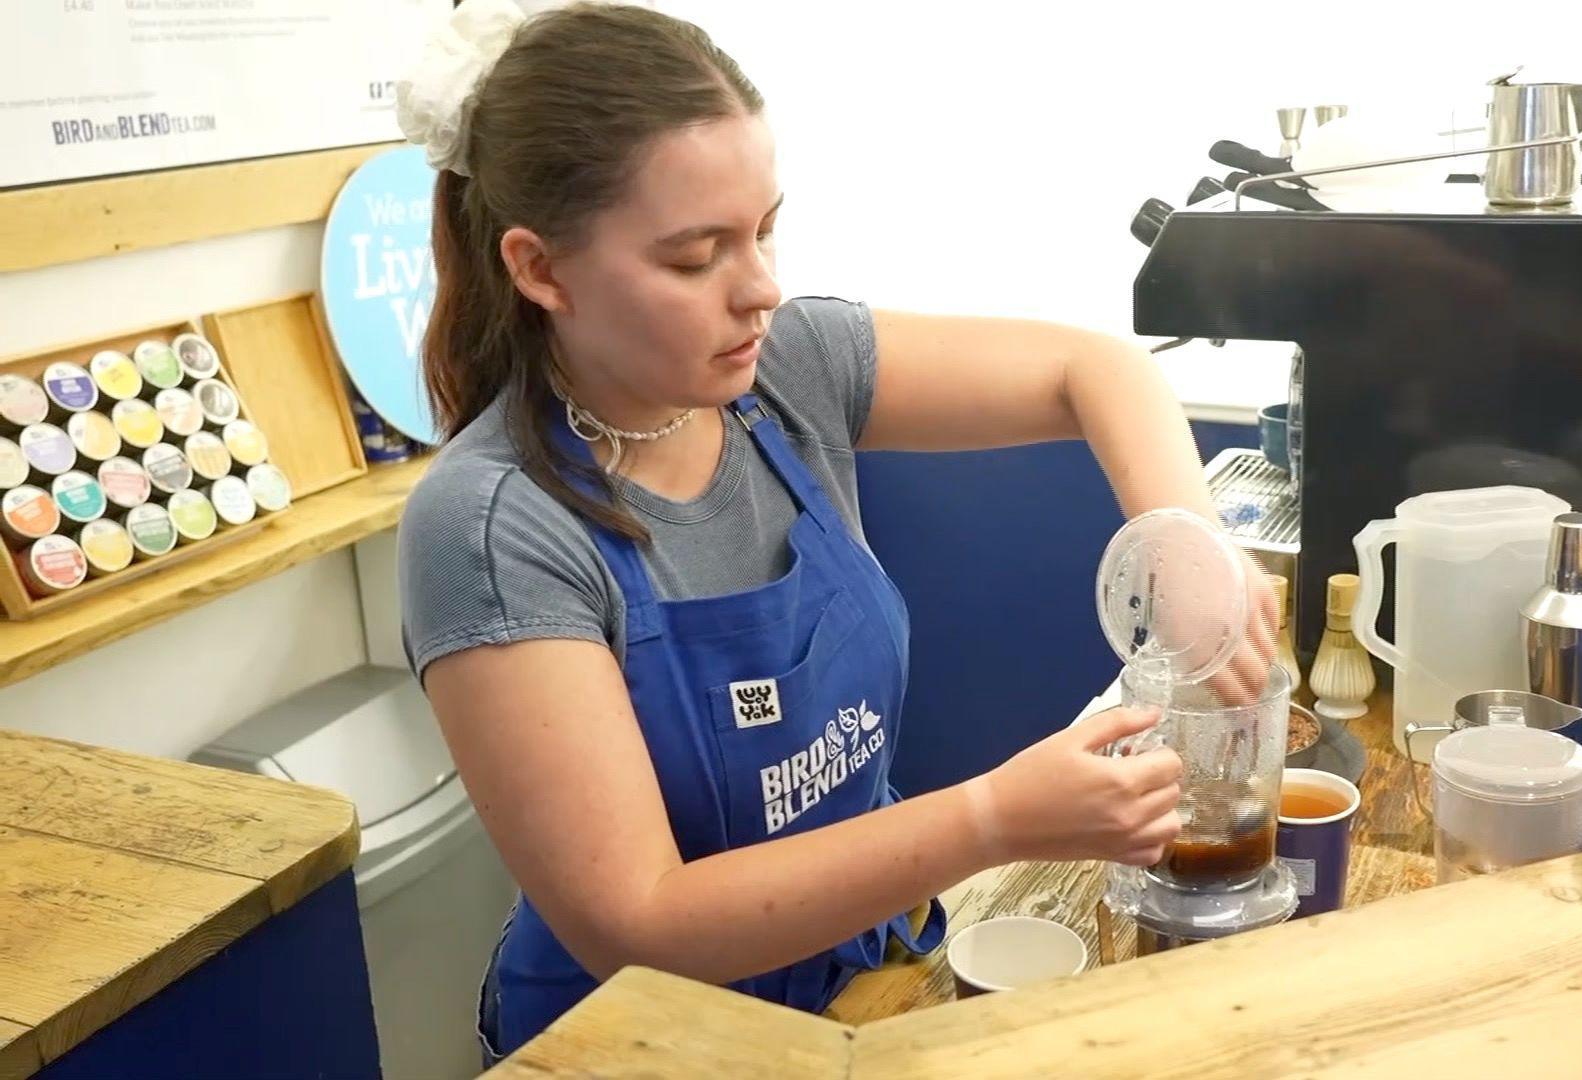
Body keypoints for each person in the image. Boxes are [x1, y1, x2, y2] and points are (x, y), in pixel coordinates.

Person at [393, 0, 1279, 1063]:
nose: (760, 288)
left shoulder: (788, 377)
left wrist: (1183, 544)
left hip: (876, 989)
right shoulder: (494, 526)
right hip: (644, 1042)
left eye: (765, 229)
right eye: (694, 258)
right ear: (540, 270)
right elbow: (639, 921)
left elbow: (1099, 368)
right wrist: (995, 818)